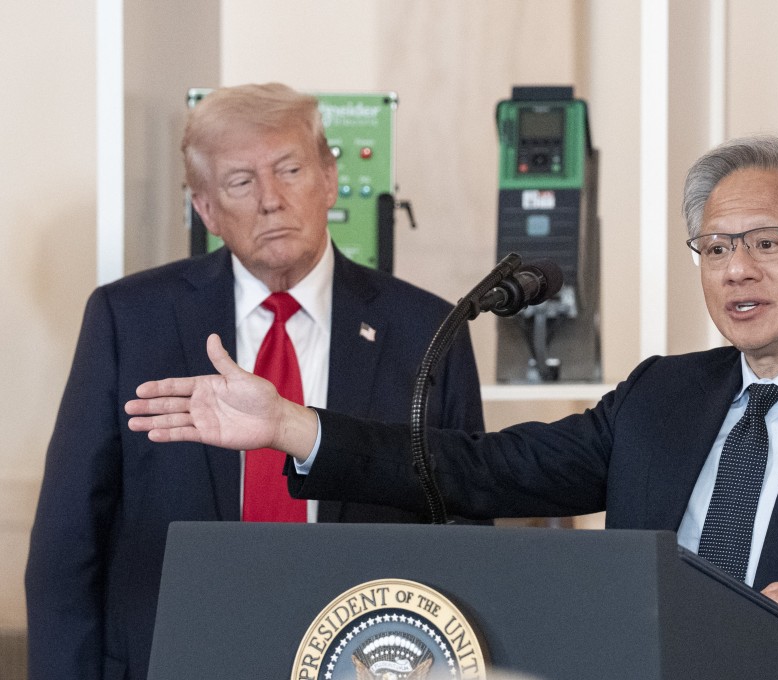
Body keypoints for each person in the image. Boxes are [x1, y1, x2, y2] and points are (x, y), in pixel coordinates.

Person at [125, 134, 778, 680]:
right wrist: (289, 425)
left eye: (767, 243)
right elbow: (482, 468)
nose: (735, 270)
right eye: (715, 247)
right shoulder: (663, 395)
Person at [26, 83, 484, 680]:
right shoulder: (130, 321)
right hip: (172, 660)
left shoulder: (427, 331)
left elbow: (468, 532)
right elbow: (68, 544)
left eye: (290, 169)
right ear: (206, 209)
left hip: (368, 661)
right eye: (241, 182)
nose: (271, 200)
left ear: (328, 177)